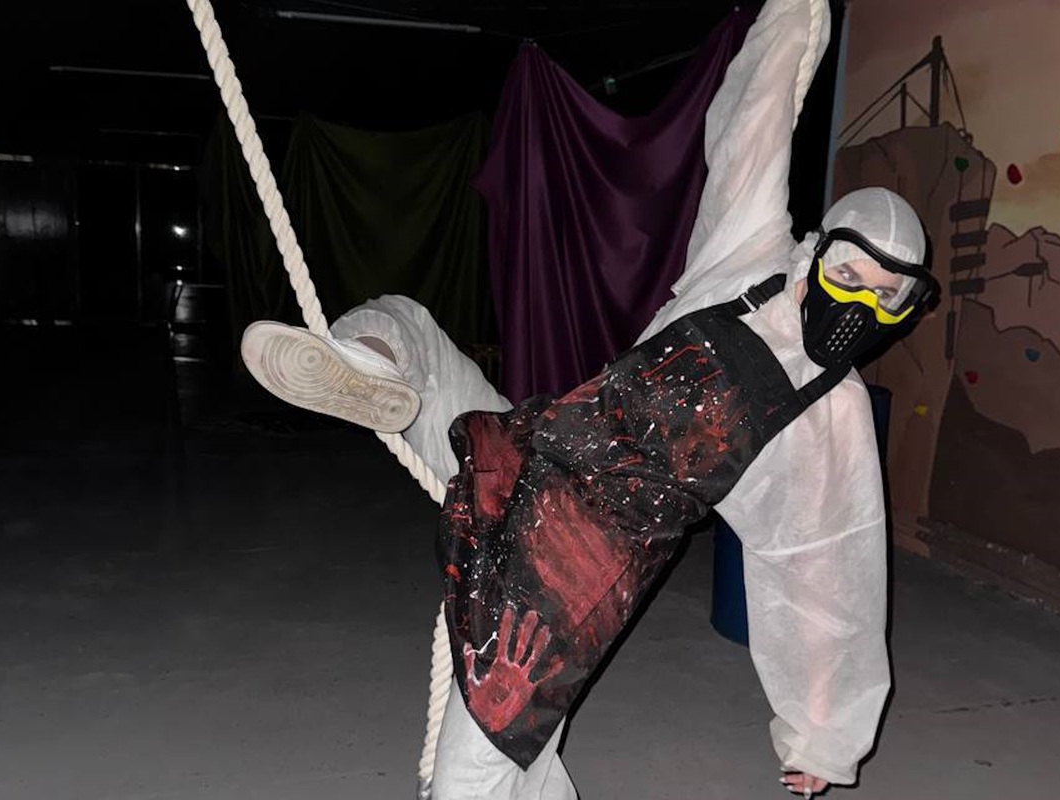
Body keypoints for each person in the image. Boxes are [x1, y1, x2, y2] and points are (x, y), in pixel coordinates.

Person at [239, 1, 936, 797]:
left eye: (889, 295)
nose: (861, 305)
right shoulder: (750, 258)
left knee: (477, 772)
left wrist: (823, 736)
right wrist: (796, 9)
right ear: (815, 254)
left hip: (576, 568)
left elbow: (832, 571)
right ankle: (365, 371)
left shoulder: (829, 413)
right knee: (406, 324)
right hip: (530, 446)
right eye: (850, 274)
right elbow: (759, 112)